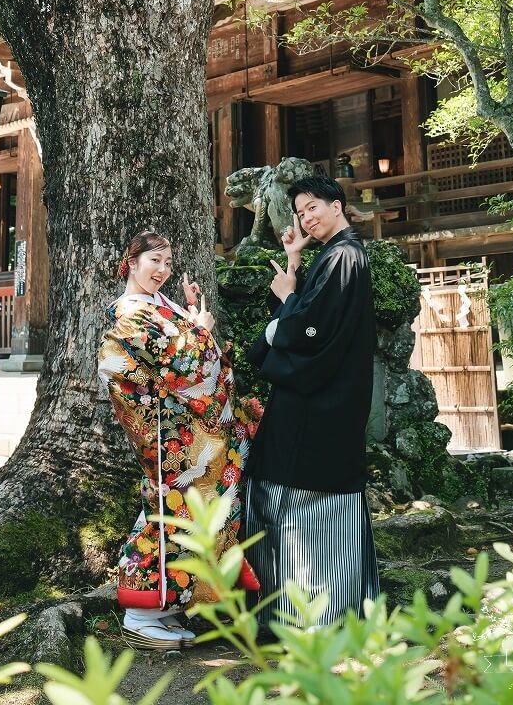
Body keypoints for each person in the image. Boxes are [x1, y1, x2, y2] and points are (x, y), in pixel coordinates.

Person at [98, 229, 260, 649]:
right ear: (131, 262)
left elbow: (189, 353)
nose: (162, 271)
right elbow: (185, 362)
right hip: (170, 436)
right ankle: (140, 611)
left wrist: (190, 315)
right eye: (154, 261)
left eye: (167, 263)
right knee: (171, 514)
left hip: (188, 434)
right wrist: (201, 331)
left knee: (195, 513)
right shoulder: (130, 313)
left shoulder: (158, 306)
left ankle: (167, 607)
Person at [244, 174, 380, 628]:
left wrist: (283, 306)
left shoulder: (343, 258)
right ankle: (308, 613)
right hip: (326, 402)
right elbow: (314, 318)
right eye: (300, 212)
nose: (306, 218)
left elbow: (313, 331)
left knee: (302, 498)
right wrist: (294, 262)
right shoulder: (335, 257)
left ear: (337, 205)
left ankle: (306, 616)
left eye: (312, 208)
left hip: (321, 406)